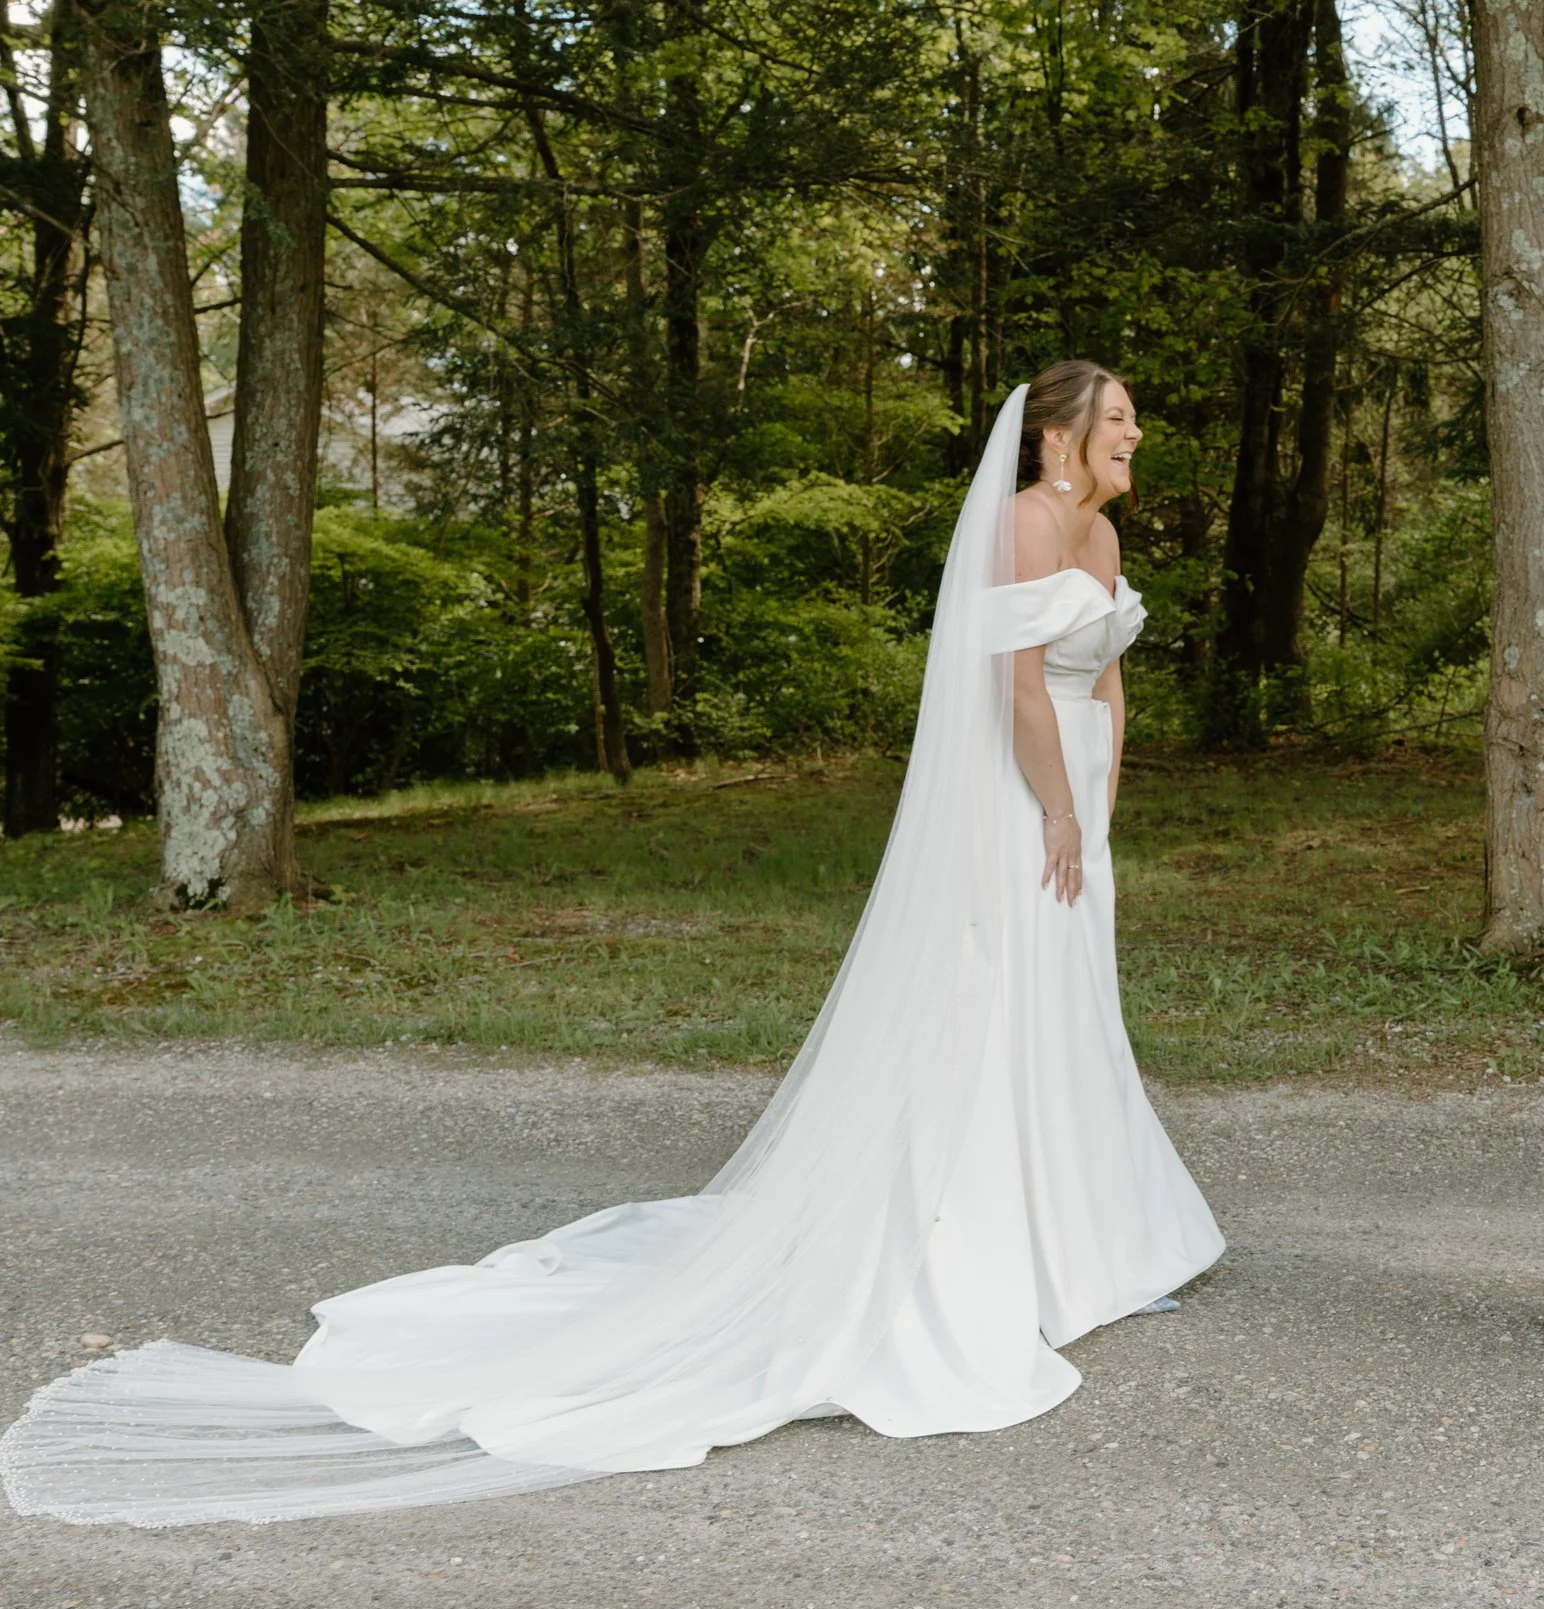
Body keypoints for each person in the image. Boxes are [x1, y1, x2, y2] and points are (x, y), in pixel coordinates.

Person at [0, 365, 1224, 1526]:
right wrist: (1056, 809)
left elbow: (1100, 677)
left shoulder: (1106, 538)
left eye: (1131, 421)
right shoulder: (1018, 522)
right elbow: (1012, 687)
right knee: (1000, 1004)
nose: (1133, 436)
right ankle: (981, 1238)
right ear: (1058, 431)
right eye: (1116, 419)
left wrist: (1104, 798)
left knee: (1069, 1010)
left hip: (1081, 798)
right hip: (1019, 800)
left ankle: (1078, 1238)